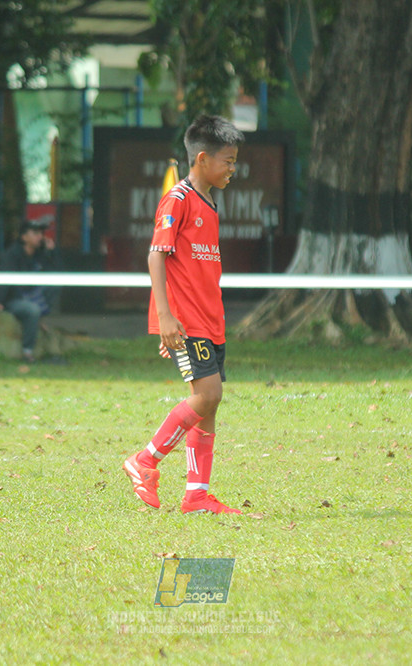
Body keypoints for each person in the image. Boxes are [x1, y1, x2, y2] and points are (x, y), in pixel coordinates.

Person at [122, 115, 244, 515]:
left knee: (207, 404)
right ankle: (145, 461)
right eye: (227, 161)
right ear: (203, 158)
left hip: (210, 319)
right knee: (209, 395)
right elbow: (156, 256)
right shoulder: (178, 199)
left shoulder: (209, 202)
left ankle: (196, 495)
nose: (232, 169)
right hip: (189, 321)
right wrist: (166, 317)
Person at [0, 219, 60, 362]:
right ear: (24, 237)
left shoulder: (40, 254)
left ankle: (38, 318)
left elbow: (58, 273)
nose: (40, 237)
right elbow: (4, 280)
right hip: (14, 300)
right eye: (35, 233)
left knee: (55, 284)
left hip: (34, 297)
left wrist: (52, 252)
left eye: (41, 233)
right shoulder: (11, 255)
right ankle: (27, 351)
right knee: (32, 310)